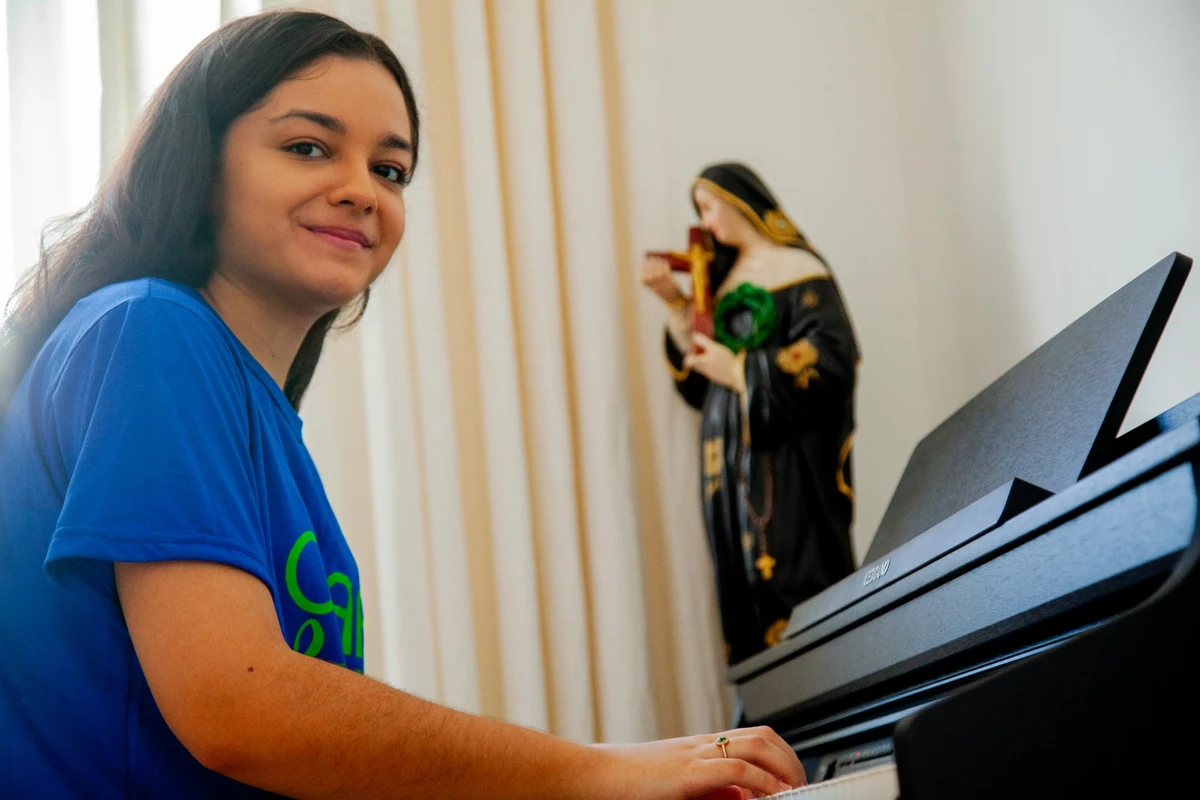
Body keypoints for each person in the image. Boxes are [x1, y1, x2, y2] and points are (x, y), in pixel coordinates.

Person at [0, 13, 803, 799]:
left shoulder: (246, 400)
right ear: (200, 163)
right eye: (307, 146)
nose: (360, 190)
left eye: (390, 169)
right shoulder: (153, 329)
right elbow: (239, 709)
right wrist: (604, 772)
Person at [642, 163, 859, 666]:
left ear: (741, 203)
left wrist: (741, 370)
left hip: (785, 461)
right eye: (698, 210)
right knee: (739, 584)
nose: (705, 219)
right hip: (726, 461)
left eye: (709, 206)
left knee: (790, 571)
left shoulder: (798, 272)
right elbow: (699, 380)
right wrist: (677, 305)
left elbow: (830, 361)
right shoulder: (721, 282)